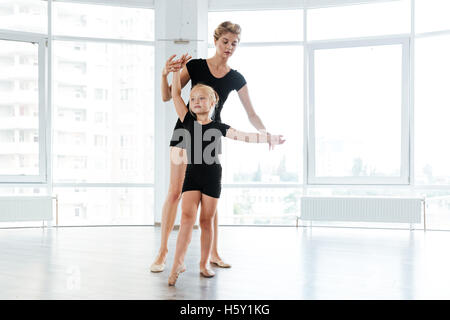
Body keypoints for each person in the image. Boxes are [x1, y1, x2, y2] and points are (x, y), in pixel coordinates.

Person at [151, 21, 275, 273]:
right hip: (184, 134)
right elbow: (168, 96)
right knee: (175, 192)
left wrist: (264, 133)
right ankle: (162, 252)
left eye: (234, 43)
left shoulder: (236, 78)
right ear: (216, 41)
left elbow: (251, 113)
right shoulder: (195, 65)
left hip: (211, 138)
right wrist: (164, 74)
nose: (229, 47)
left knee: (210, 194)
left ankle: (215, 252)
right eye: (225, 42)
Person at [167, 63, 285, 286]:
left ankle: (204, 263)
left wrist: (268, 137)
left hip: (212, 177)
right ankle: (177, 263)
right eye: (193, 100)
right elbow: (175, 95)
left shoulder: (220, 127)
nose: (196, 102)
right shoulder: (187, 121)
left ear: (213, 103)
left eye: (202, 99)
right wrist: (175, 71)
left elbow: (244, 136)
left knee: (206, 220)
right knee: (186, 218)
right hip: (192, 175)